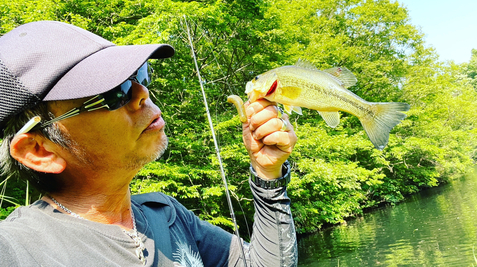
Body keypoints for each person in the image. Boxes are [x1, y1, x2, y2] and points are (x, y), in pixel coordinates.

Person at [0, 21, 298, 266]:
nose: (142, 93)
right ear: (39, 151)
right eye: (112, 92)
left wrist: (267, 175)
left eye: (137, 76)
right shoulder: (17, 249)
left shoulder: (166, 214)